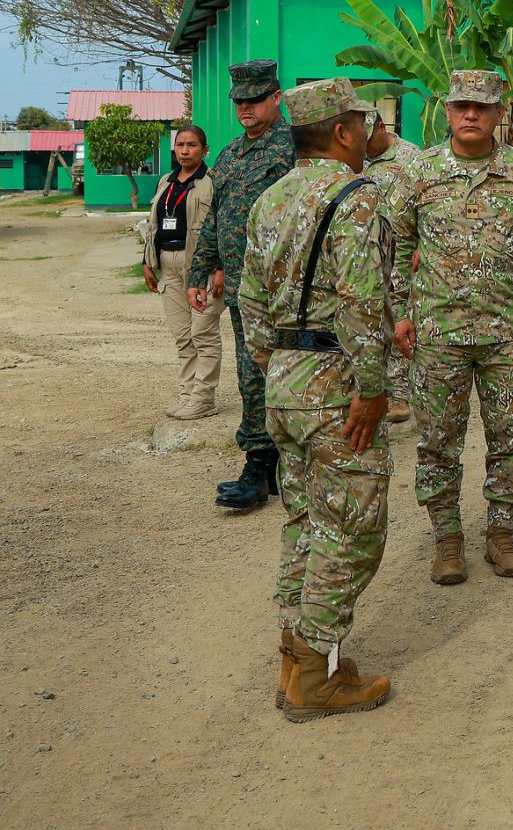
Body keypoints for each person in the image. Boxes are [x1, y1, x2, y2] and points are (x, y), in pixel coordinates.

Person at [236, 78, 393, 721]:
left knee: (304, 517)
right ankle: (319, 674)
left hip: (285, 380)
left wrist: (278, 369)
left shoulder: (268, 199)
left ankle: (297, 658)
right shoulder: (355, 198)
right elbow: (363, 302)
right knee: (354, 524)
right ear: (341, 132)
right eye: (360, 123)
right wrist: (374, 389)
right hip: (334, 379)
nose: (364, 134)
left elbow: (247, 301)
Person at [390, 70, 513, 585]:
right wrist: (400, 311)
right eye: (462, 105)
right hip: (438, 334)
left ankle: (501, 534)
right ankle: (447, 539)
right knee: (438, 441)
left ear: (498, 113)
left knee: (510, 436)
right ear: (447, 110)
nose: (471, 114)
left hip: (507, 332)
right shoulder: (420, 172)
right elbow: (397, 245)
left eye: (481, 107)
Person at [188, 59, 296, 512]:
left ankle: (297, 462)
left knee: (293, 371)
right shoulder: (230, 155)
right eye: (239, 101)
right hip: (242, 291)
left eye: (254, 99)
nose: (245, 108)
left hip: (289, 289)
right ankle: (259, 464)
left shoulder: (296, 147)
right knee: (252, 374)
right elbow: (216, 217)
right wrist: (200, 269)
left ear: (276, 97)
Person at [144, 125, 222, 421]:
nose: (185, 150)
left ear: (205, 150)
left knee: (202, 332)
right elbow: (153, 223)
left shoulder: (212, 181)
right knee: (182, 335)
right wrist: (147, 262)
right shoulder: (166, 181)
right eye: (180, 145)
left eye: (192, 145)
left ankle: (204, 398)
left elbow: (221, 229)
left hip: (200, 266)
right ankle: (187, 394)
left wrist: (219, 268)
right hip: (168, 264)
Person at [362, 109, 419, 423]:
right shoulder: (357, 162)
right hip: (366, 255)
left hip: (401, 254)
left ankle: (399, 396)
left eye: (369, 136)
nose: (365, 143)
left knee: (399, 321)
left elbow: (427, 203)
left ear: (382, 127)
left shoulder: (412, 158)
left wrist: (422, 244)